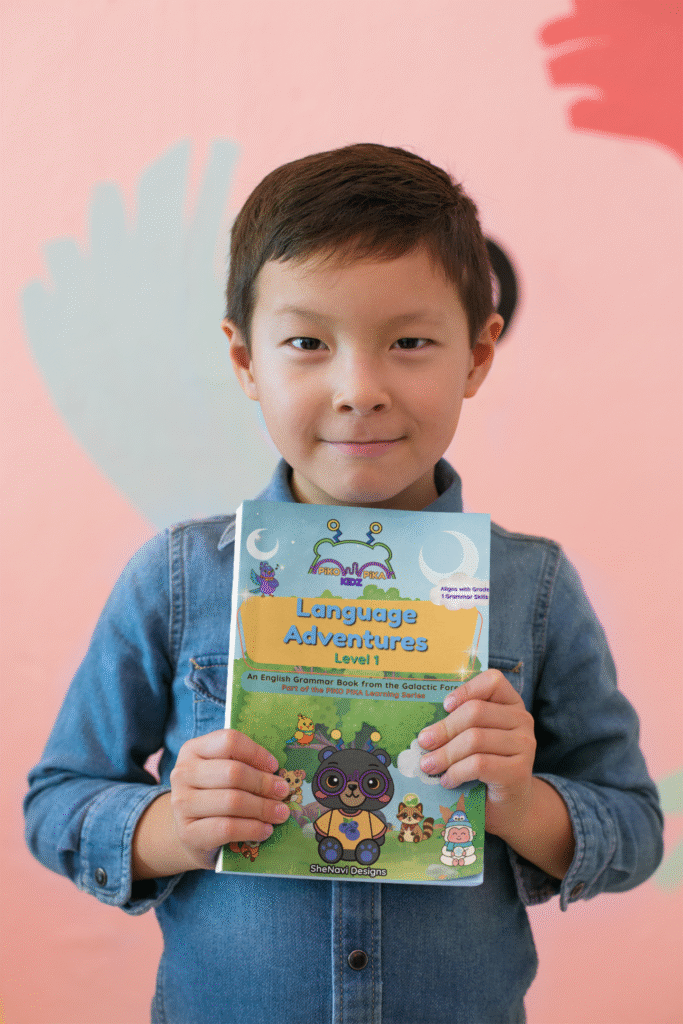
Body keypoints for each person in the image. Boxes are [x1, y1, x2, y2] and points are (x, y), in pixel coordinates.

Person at [24, 143, 663, 1024]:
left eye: (409, 342)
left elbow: (633, 829)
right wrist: (168, 828)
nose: (359, 389)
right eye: (306, 343)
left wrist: (522, 804)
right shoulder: (176, 578)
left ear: (477, 354)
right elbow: (57, 799)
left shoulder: (534, 586)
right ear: (245, 360)